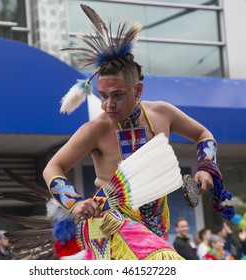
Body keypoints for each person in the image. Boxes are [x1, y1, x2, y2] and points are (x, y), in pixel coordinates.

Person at [42, 4, 234, 260]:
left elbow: (203, 134)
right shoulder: (96, 129)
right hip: (110, 222)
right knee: (166, 260)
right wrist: (75, 202)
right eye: (103, 96)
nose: (108, 104)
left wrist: (205, 166)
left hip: (156, 221)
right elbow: (52, 167)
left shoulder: (162, 113)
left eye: (118, 95)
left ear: (139, 91)